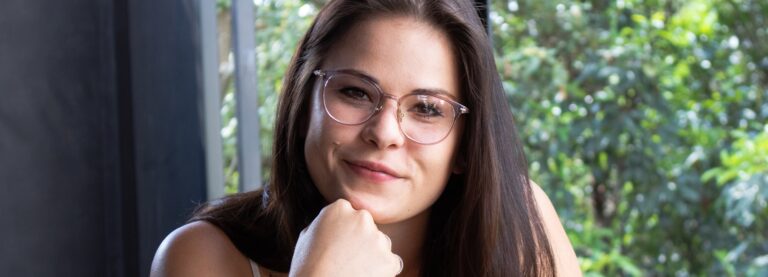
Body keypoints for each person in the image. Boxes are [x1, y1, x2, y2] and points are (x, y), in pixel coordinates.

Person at [150, 0, 580, 276]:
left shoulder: (520, 225)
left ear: (464, 147)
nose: (384, 133)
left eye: (427, 108)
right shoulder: (202, 258)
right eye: (355, 92)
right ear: (304, 106)